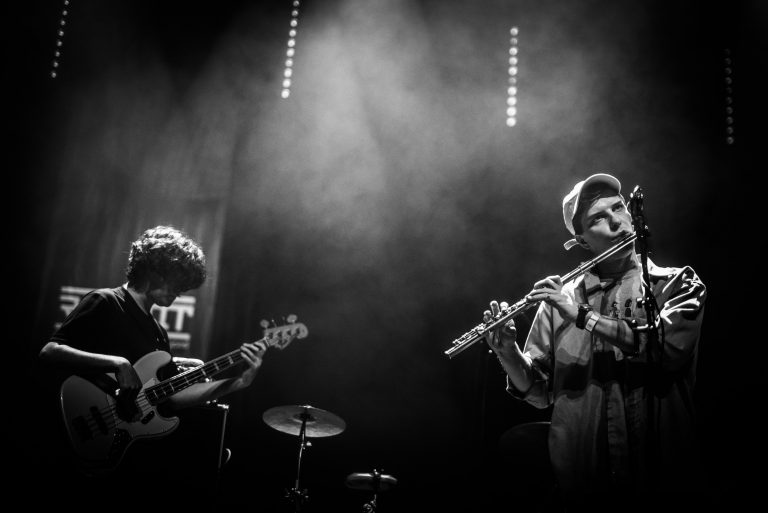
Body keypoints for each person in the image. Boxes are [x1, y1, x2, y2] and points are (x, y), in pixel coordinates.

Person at [484, 173, 706, 511]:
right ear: (583, 242)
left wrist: (582, 316)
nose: (617, 222)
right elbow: (540, 393)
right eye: (598, 219)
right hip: (584, 491)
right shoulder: (559, 301)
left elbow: (666, 353)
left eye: (619, 208)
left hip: (664, 486)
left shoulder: (677, 284)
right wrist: (507, 352)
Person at [37, 225, 267, 505]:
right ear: (154, 270)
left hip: (118, 449)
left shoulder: (159, 332)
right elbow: (50, 351)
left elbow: (174, 399)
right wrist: (118, 364)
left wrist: (239, 382)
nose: (181, 292)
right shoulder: (105, 302)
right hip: (77, 422)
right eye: (178, 282)